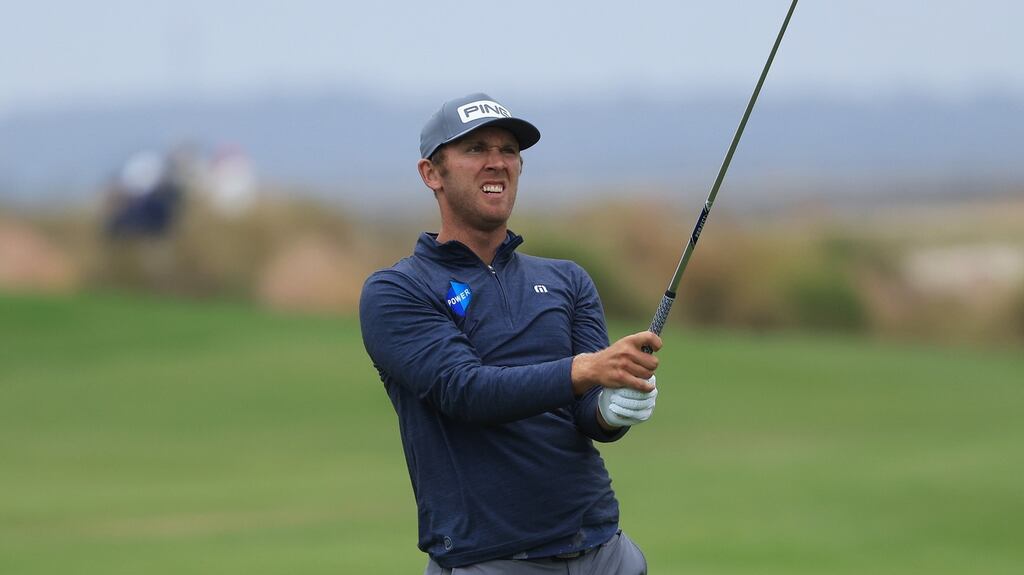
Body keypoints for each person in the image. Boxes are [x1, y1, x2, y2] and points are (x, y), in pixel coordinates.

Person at [359, 93, 663, 574]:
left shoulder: (567, 280)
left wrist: (613, 406)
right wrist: (588, 370)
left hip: (604, 550)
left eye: (508, 150)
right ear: (430, 174)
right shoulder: (398, 290)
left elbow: (587, 415)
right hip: (490, 559)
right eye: (476, 149)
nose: (497, 163)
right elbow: (465, 390)